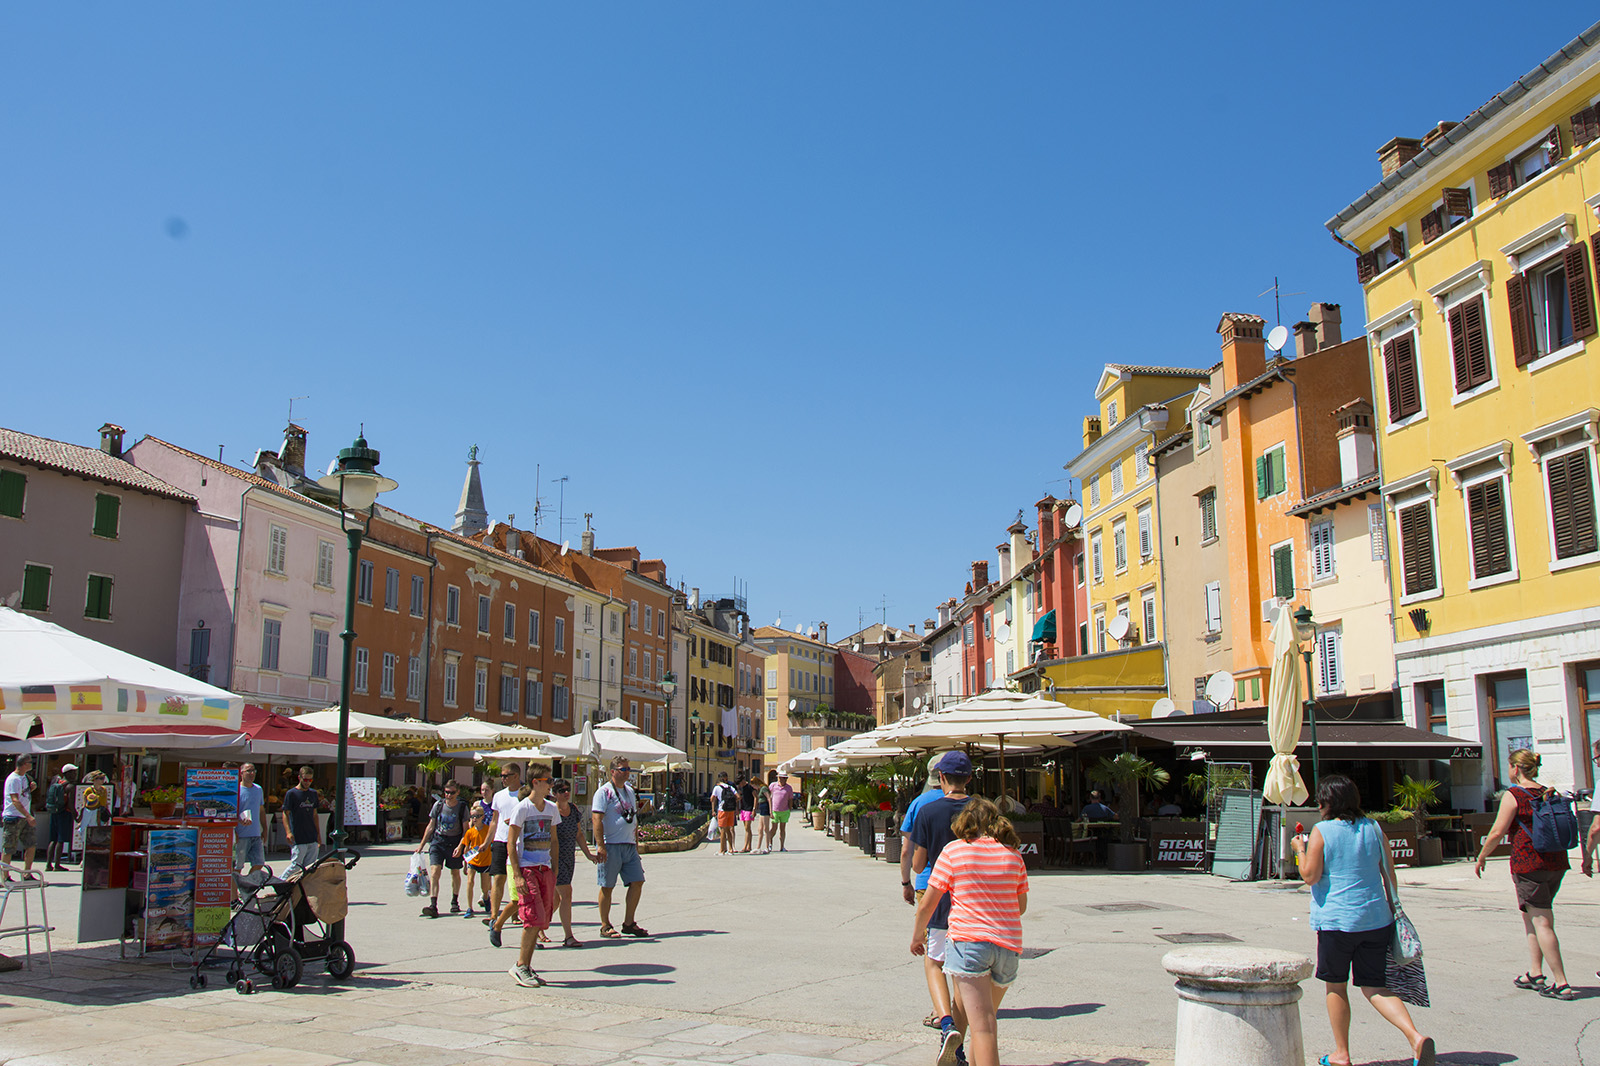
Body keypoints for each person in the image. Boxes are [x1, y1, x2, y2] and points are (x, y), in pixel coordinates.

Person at [1290, 775, 1434, 1066]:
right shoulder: (1374, 828)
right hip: (1376, 919)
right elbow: (1389, 874)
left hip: (1337, 922)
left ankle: (1341, 1053)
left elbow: (1309, 876)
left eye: (1320, 800)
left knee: (1336, 986)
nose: (1318, 806)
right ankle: (1415, 1037)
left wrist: (1299, 849)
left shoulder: (1322, 831)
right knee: (1375, 986)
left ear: (1328, 802)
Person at [912, 796, 1029, 1066]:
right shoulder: (1013, 855)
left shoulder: (954, 851)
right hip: (1008, 946)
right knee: (986, 1021)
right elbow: (1020, 906)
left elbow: (928, 904)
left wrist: (917, 936)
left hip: (969, 944)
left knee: (983, 1027)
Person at [1475, 749, 1575, 1000]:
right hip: (1556, 862)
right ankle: (1535, 972)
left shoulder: (1514, 795)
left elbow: (1497, 831)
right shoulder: (1547, 792)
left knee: (1542, 921)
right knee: (1531, 916)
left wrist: (1482, 855)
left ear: (1516, 769)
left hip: (1529, 864)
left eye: (1509, 766)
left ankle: (1561, 983)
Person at [911, 750, 976, 1064]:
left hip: (941, 900)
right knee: (962, 976)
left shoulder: (929, 810)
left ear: (941, 778)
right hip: (976, 902)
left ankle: (946, 1023)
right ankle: (959, 1048)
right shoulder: (983, 810)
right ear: (970, 778)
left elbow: (918, 862)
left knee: (934, 963)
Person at [900, 753, 951, 1031]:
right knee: (960, 944)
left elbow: (908, 851)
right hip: (964, 886)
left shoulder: (920, 804)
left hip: (929, 884)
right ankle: (963, 1004)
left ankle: (940, 1009)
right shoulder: (973, 806)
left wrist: (906, 883)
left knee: (935, 952)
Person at [501, 765, 558, 987]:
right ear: (536, 782)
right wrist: (517, 874)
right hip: (527, 868)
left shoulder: (551, 809)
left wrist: (554, 868)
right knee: (532, 916)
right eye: (548, 781)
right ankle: (520, 966)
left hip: (545, 869)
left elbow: (553, 840)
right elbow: (511, 842)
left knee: (542, 919)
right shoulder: (522, 809)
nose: (551, 784)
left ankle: (526, 965)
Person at [593, 756, 648, 938]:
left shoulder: (630, 791)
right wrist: (600, 845)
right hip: (611, 845)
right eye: (623, 769)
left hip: (629, 845)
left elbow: (633, 817)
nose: (627, 773)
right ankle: (605, 924)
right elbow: (597, 819)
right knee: (607, 885)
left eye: (628, 769)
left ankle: (629, 922)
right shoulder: (604, 792)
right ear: (613, 771)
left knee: (637, 881)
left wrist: (636, 844)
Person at [551, 777, 599, 946]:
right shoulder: (551, 811)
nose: (566, 793)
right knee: (567, 894)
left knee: (556, 899)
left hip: (569, 858)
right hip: (554, 858)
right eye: (562, 790)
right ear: (554, 793)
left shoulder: (573, 809)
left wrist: (588, 855)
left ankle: (538, 927)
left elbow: (579, 834)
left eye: (567, 789)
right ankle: (568, 936)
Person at [417, 780, 469, 917]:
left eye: (452, 793)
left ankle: (454, 901)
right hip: (438, 841)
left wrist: (461, 846)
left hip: (454, 843)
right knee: (434, 872)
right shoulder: (438, 805)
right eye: (446, 792)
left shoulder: (462, 807)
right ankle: (433, 905)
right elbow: (430, 825)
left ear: (457, 792)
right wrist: (421, 845)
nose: (448, 795)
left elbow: (466, 830)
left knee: (455, 873)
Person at [484, 764, 523, 939]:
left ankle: (514, 912)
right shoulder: (498, 796)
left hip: (517, 841)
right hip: (500, 840)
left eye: (507, 775)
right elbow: (494, 820)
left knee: (516, 879)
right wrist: (487, 841)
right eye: (502, 775)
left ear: (516, 776)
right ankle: (494, 915)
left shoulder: (524, 794)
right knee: (498, 878)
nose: (503, 778)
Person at [280, 766, 322, 876]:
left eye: (310, 780)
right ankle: (281, 882)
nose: (307, 782)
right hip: (298, 836)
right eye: (305, 779)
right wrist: (288, 832)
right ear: (299, 778)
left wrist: (318, 834)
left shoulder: (313, 794)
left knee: (310, 867)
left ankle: (303, 889)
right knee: (296, 866)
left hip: (311, 835)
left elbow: (314, 814)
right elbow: (285, 813)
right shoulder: (292, 793)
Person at [2, 755, 38, 880]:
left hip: (23, 817)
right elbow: (15, 800)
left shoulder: (24, 777)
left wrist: (30, 789)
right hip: (13, 817)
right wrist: (28, 816)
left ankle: (27, 873)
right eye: (30, 762)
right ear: (23, 764)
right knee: (9, 848)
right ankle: (4, 876)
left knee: (31, 844)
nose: (32, 764)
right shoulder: (13, 779)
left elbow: (22, 794)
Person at [457, 801, 493, 919]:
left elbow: (491, 845)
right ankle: (469, 907)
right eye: (472, 817)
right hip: (473, 861)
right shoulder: (469, 832)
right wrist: (466, 863)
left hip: (485, 861)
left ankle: (486, 899)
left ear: (482, 817)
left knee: (485, 886)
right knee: (470, 882)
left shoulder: (488, 830)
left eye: (477, 816)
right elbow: (466, 847)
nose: (474, 819)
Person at [234, 763, 267, 878]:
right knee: (238, 866)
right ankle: (236, 891)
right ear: (241, 773)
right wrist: (235, 831)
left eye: (253, 771)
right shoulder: (236, 790)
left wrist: (265, 829)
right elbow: (231, 812)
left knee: (259, 863)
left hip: (256, 834)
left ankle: (247, 886)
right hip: (241, 834)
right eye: (248, 771)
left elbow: (261, 810)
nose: (251, 773)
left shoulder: (258, 789)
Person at [44, 762, 78, 871]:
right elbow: (71, 804)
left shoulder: (57, 783)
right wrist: (76, 815)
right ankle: (57, 864)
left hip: (54, 813)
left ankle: (49, 864)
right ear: (68, 774)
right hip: (64, 814)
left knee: (53, 840)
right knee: (60, 840)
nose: (75, 775)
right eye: (73, 772)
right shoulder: (70, 786)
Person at [768, 770, 795, 853]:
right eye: (781, 778)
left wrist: (789, 809)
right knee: (774, 828)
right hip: (775, 810)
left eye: (784, 778)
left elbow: (790, 799)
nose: (782, 779)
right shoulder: (773, 786)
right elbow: (768, 797)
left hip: (784, 810)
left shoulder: (789, 788)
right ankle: (769, 844)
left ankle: (782, 846)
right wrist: (770, 810)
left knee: (782, 829)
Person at [711, 772, 738, 855]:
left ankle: (722, 850)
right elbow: (738, 796)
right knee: (729, 829)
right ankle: (731, 849)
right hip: (731, 810)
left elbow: (712, 799)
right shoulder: (730, 787)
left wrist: (713, 810)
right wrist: (732, 803)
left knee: (722, 830)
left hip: (722, 810)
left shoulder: (717, 788)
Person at [738, 774, 757, 853]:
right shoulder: (741, 788)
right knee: (747, 829)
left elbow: (756, 797)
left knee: (747, 827)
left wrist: (754, 809)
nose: (739, 785)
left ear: (743, 781)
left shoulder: (750, 787)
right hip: (743, 809)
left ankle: (745, 847)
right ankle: (749, 846)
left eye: (740, 783)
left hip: (749, 809)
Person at [754, 776, 772, 854]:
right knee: (760, 828)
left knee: (766, 828)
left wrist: (771, 811)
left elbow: (769, 798)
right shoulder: (760, 789)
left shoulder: (764, 788)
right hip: (761, 808)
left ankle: (767, 847)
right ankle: (758, 847)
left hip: (765, 807)